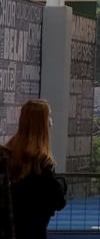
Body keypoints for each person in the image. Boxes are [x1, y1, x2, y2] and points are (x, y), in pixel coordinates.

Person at [6, 100, 67, 239]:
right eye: (48, 117)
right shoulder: (40, 162)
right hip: (34, 231)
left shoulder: (9, 153)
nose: (51, 122)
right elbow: (57, 200)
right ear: (42, 124)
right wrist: (62, 183)